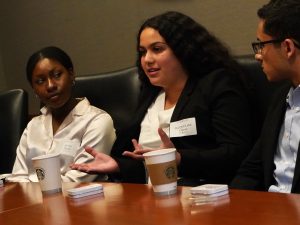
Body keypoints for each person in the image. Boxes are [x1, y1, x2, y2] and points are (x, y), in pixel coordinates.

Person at [71, 11, 253, 186]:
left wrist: (180, 158)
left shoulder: (217, 84)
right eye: (142, 52)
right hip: (150, 198)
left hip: (201, 196)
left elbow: (236, 153)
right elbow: (146, 162)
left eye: (157, 49)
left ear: (184, 49)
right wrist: (120, 166)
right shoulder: (151, 93)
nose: (147, 59)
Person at [6, 46, 116, 182]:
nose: (50, 85)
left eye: (57, 75)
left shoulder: (97, 121)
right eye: (40, 81)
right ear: (34, 89)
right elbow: (17, 178)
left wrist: (30, 187)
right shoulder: (33, 126)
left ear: (71, 74)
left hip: (81, 201)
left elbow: (78, 180)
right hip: (31, 202)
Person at [230, 0, 300, 193]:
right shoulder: (280, 97)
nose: (258, 55)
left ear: (288, 48)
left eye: (261, 45)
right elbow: (251, 170)